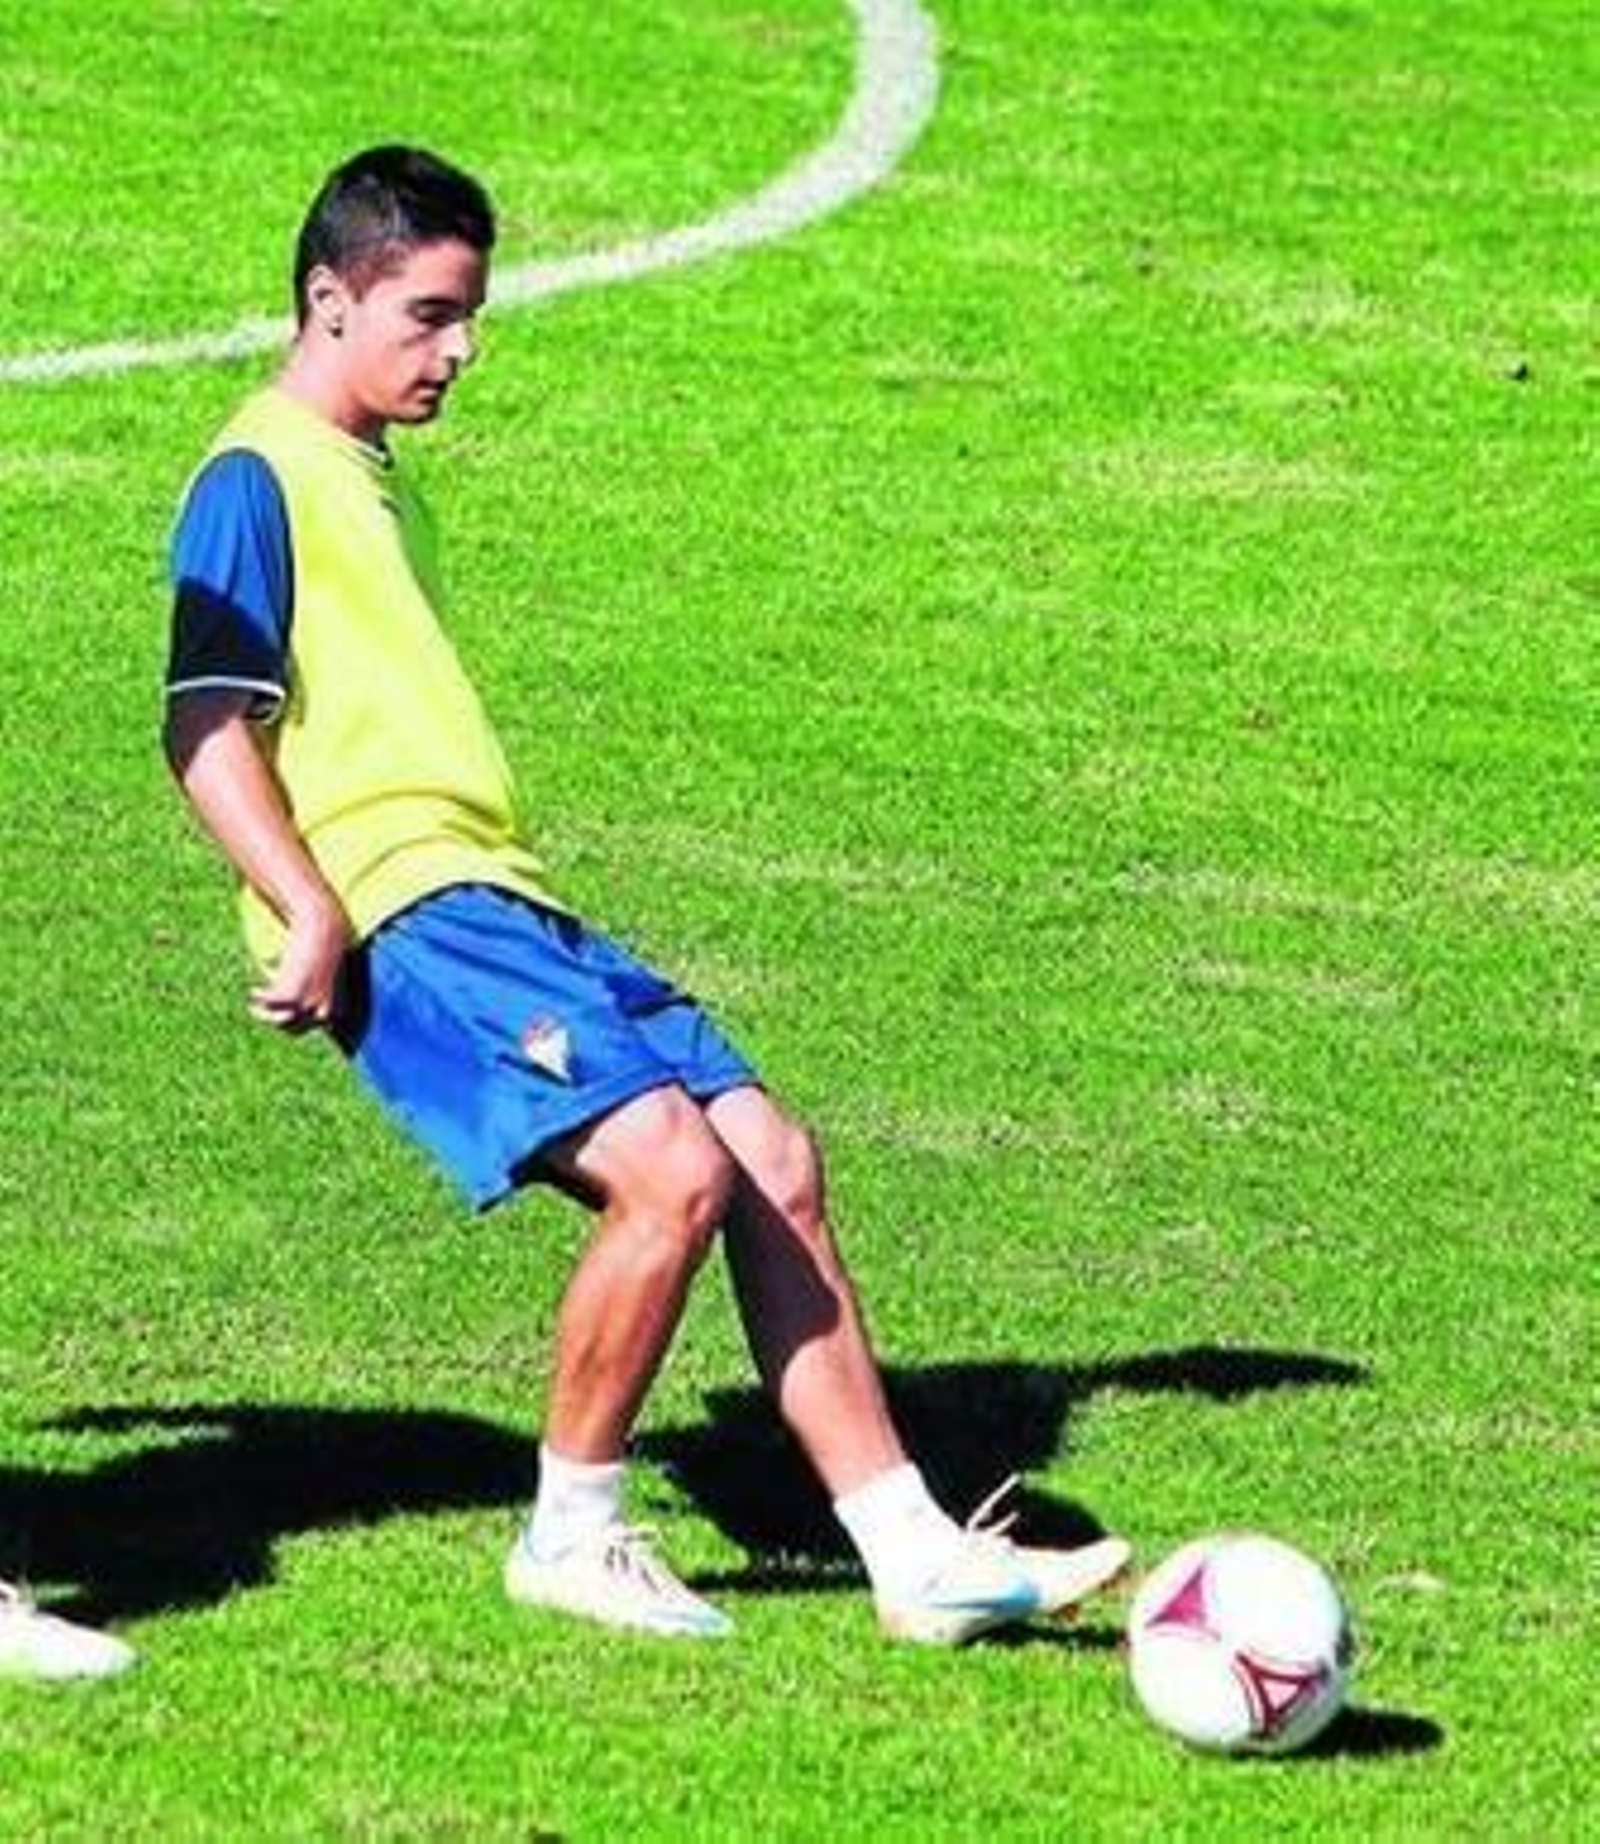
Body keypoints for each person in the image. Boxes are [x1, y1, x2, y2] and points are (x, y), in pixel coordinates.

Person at [162, 145, 1129, 1643]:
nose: (461, 348)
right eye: (429, 314)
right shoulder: (254, 476)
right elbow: (205, 727)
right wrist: (305, 904)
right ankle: (574, 1534)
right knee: (671, 1168)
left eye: (471, 314)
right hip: (404, 906)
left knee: (768, 1155)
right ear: (327, 299)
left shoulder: (369, 480)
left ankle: (911, 1551)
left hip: (495, 891)